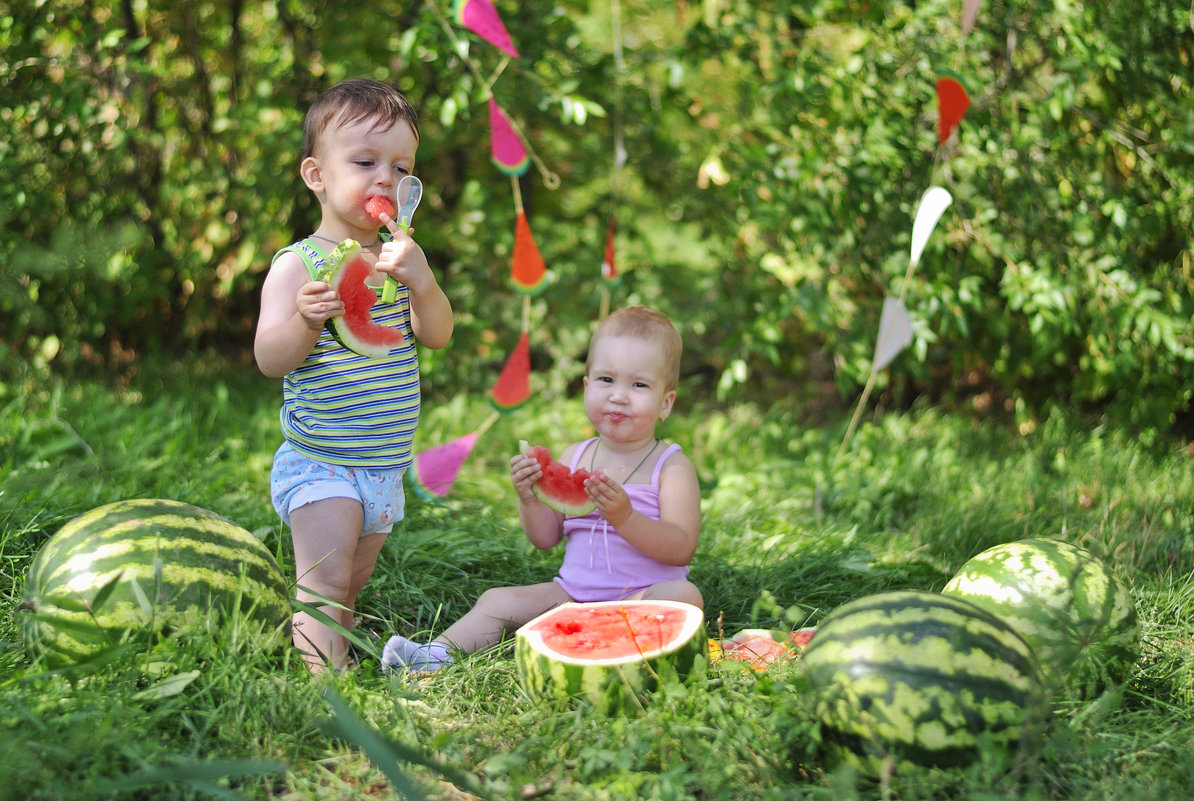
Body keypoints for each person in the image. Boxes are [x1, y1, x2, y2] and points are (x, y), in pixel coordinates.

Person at [254, 78, 454, 673]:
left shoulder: (399, 261)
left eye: (401, 167)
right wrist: (306, 322)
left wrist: (423, 282)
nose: (384, 179)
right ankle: (327, 692)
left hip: (383, 467)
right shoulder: (300, 265)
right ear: (316, 175)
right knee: (325, 583)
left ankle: (334, 650)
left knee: (350, 584)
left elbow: (437, 333)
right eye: (365, 162)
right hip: (323, 461)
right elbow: (269, 358)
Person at [383, 305, 702, 672]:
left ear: (666, 403)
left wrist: (625, 517)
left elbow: (681, 548)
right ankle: (433, 656)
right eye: (606, 380)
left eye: (639, 385)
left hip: (643, 599)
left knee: (684, 596)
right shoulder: (575, 455)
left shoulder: (671, 466)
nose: (618, 396)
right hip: (573, 596)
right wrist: (529, 498)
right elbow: (546, 538)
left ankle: (626, 656)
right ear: (586, 387)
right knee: (497, 600)